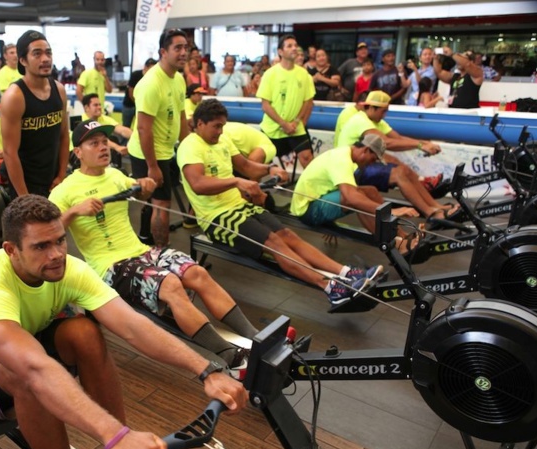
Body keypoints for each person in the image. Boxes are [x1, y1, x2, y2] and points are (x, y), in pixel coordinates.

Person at [0, 193, 247, 449]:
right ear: (11, 250)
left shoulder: (68, 269)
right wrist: (115, 434)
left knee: (84, 331)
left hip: (29, 349)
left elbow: (132, 325)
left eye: (60, 240)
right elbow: (33, 367)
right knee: (22, 372)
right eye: (41, 246)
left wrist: (207, 370)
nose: (56, 254)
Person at [51, 119, 257, 370]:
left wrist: (146, 186)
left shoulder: (115, 175)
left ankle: (256, 337)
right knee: (170, 284)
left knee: (197, 273)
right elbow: (51, 233)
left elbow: (141, 191)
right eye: (94, 144)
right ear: (78, 152)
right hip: (110, 267)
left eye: (105, 142)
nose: (103, 147)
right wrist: (74, 211)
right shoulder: (64, 191)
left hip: (142, 252)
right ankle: (229, 355)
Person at [178, 99, 383, 305]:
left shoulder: (222, 141)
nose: (220, 131)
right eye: (216, 126)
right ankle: (331, 288)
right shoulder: (190, 146)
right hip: (216, 216)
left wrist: (270, 169)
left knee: (287, 235)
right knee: (274, 242)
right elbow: (198, 184)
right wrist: (237, 181)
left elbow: (247, 166)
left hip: (239, 206)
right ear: (200, 124)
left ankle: (345, 272)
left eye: (222, 126)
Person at [336, 91, 457, 222]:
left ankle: (435, 206)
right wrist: (420, 145)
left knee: (404, 169)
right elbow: (386, 143)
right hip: (352, 169)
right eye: (383, 111)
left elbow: (398, 138)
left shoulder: (376, 121)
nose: (384, 115)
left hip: (363, 163)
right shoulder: (360, 120)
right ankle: (430, 213)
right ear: (371, 108)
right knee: (399, 174)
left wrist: (425, 143)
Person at [290, 135, 419, 250]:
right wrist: (391, 211)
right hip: (307, 210)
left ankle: (401, 235)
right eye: (373, 159)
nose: (371, 163)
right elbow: (351, 198)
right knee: (356, 198)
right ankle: (394, 244)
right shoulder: (342, 160)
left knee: (371, 191)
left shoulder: (347, 155)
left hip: (318, 200)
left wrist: (330, 218)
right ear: (366, 150)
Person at [127, 29, 190, 248]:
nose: (183, 52)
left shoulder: (178, 79)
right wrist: (153, 167)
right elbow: (143, 129)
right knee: (162, 204)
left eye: (185, 47)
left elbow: (181, 117)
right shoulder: (150, 84)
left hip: (166, 150)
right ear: (163, 52)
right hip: (148, 153)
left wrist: (189, 150)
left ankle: (147, 237)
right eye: (177, 48)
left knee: (156, 201)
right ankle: (162, 251)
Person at [0, 30, 70, 197]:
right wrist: (25, 197)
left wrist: (61, 175)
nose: (45, 59)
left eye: (48, 53)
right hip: (24, 183)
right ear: (23, 60)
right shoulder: (15, 96)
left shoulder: (59, 90)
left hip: (53, 178)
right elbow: (10, 152)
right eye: (37, 54)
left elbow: (63, 136)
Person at [257, 33, 316, 170]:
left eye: (295, 45)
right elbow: (265, 105)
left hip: (295, 127)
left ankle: (314, 184)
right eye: (289, 46)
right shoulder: (270, 74)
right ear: (280, 52)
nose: (294, 48)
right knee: (259, 160)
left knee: (307, 158)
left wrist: (297, 121)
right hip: (272, 128)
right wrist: (283, 124)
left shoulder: (304, 74)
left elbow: (307, 101)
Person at [122, 57, 156, 128]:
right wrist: (138, 104)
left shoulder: (153, 78)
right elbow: (131, 92)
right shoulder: (135, 75)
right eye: (151, 69)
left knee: (141, 126)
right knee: (126, 126)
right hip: (129, 105)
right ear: (145, 67)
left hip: (142, 107)